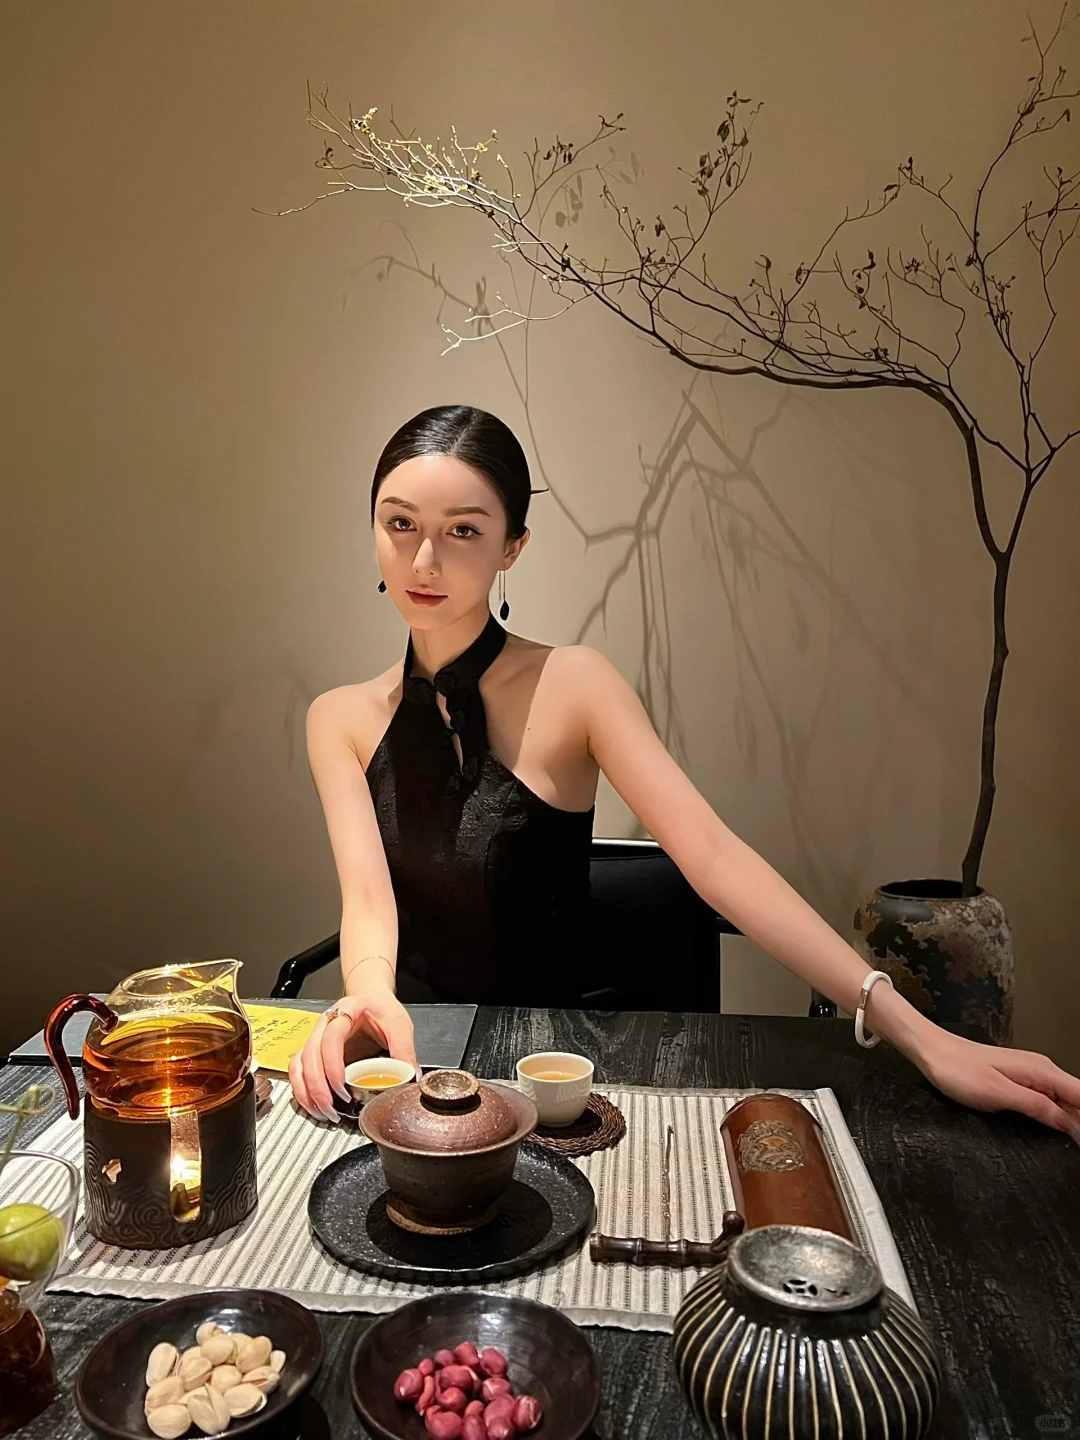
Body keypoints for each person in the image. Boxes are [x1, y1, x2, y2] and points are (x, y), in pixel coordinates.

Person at [290, 403, 1080, 1140]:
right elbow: (369, 900)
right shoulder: (339, 718)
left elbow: (714, 856)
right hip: (419, 1069)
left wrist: (921, 1034)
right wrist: (367, 995)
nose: (424, 559)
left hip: (559, 1074)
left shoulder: (576, 683)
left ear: (512, 547)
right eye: (400, 524)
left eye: (463, 530)